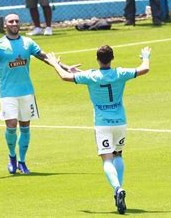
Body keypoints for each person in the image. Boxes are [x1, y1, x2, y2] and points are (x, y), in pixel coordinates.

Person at [0, 13, 77, 174]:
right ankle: (12, 157)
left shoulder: (28, 43)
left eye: (17, 21)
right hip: (7, 93)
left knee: (25, 127)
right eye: (11, 21)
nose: (14, 23)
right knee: (11, 126)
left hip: (26, 92)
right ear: (5, 25)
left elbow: (45, 58)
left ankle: (22, 162)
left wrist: (65, 67)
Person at [45, 45, 151, 214]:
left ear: (97, 59)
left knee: (106, 159)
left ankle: (117, 188)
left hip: (102, 124)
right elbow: (144, 68)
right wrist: (145, 56)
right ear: (112, 58)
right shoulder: (120, 73)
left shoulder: (91, 76)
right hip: (120, 122)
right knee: (118, 154)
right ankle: (118, 190)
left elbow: (65, 77)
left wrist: (54, 64)